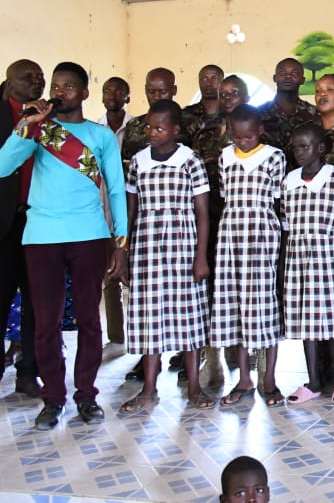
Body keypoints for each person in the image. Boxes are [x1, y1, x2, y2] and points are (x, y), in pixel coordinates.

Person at [0, 61, 128, 430]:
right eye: (56, 86)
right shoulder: (38, 131)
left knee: (89, 319)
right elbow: (4, 166)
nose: (59, 92)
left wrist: (119, 243)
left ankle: (86, 396)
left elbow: (116, 190)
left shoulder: (100, 136)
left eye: (68, 86)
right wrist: (27, 126)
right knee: (45, 322)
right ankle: (53, 398)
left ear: (85, 93)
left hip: (89, 235)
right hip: (40, 237)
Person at [117, 100, 213, 413]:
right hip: (146, 246)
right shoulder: (138, 161)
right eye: (148, 126)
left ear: (175, 130)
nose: (151, 132)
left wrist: (201, 257)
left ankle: (194, 387)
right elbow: (130, 210)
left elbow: (202, 212)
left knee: (190, 316)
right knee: (148, 316)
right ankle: (149, 388)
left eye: (159, 127)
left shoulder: (190, 160)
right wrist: (124, 249)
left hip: (183, 245)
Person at [210, 105, 286, 407]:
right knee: (237, 306)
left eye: (249, 137)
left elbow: (279, 201)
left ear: (260, 131)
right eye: (238, 137)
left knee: (264, 306)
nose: (243, 142)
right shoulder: (225, 157)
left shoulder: (274, 157)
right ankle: (244, 378)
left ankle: (269, 379)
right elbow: (226, 196)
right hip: (231, 239)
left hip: (263, 238)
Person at [281, 123, 334, 406]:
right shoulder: (289, 181)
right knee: (305, 323)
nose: (298, 152)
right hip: (298, 259)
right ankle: (313, 381)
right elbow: (287, 227)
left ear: (321, 149)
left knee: (330, 324)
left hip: (325, 255)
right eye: (295, 146)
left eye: (304, 146)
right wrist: (285, 261)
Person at [192, 75, 250, 385]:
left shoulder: (257, 134)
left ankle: (242, 354)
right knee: (211, 292)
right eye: (223, 93)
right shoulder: (205, 136)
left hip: (247, 228)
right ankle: (212, 360)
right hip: (211, 223)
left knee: (246, 292)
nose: (228, 98)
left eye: (235, 93)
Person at [0, 59, 44, 398]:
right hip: (4, 222)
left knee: (37, 302)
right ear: (9, 81)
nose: (37, 81)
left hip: (40, 221)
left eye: (40, 76)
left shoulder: (49, 117)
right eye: (28, 77)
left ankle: (28, 372)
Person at [94, 76, 133, 348]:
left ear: (127, 96)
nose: (112, 95)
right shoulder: (95, 129)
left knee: (131, 272)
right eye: (108, 90)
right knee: (108, 275)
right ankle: (116, 336)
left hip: (128, 213)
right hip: (99, 210)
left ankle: (140, 336)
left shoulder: (138, 128)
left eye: (119, 90)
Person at [257, 57, 317, 170]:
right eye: (282, 72)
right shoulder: (258, 113)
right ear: (275, 78)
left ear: (302, 80)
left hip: (302, 179)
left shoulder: (313, 114)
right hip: (267, 179)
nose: (288, 77)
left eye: (294, 73)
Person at [121, 67, 179, 175]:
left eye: (163, 91)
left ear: (174, 90)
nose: (156, 97)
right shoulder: (134, 125)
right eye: (151, 91)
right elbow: (126, 165)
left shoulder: (188, 123)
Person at [181, 64, 224, 142]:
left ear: (222, 81)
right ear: (199, 82)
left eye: (214, 78)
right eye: (204, 79)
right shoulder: (185, 115)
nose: (208, 83)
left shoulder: (230, 114)